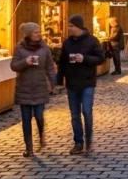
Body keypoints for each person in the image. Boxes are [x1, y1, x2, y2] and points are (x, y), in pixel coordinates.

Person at [57, 15, 106, 154]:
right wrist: (58, 81)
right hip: (72, 83)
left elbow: (100, 58)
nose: (69, 28)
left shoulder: (92, 41)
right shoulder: (67, 43)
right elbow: (62, 62)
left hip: (87, 82)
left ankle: (89, 139)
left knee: (86, 111)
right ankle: (78, 142)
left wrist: (84, 58)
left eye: (71, 26)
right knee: (74, 115)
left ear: (78, 26)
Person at [10, 22, 56, 157]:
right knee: (26, 118)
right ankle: (28, 147)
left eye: (39, 32)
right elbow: (13, 66)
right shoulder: (19, 48)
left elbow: (49, 66)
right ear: (29, 34)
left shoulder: (44, 47)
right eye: (36, 32)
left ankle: (41, 134)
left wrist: (53, 82)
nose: (38, 34)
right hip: (24, 86)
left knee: (39, 116)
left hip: (40, 86)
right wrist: (25, 62)